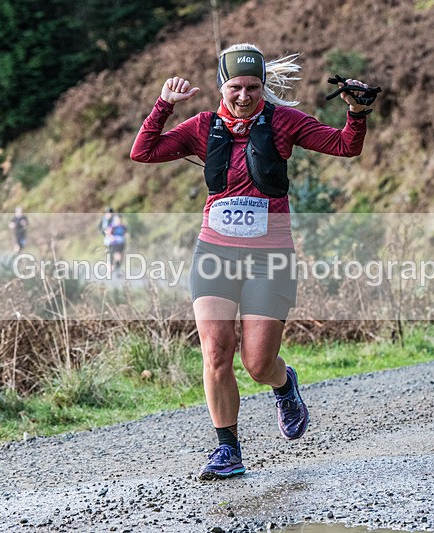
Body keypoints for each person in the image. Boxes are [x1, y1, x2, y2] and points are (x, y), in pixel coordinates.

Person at [130, 43, 374, 480]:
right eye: (235, 88)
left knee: (258, 364)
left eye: (253, 87)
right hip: (215, 252)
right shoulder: (202, 126)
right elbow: (143, 151)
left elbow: (344, 146)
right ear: (221, 87)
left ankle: (284, 383)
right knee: (215, 351)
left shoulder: (284, 121)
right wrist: (164, 104)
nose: (244, 96)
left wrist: (356, 113)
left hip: (270, 256)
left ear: (263, 86)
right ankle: (227, 449)